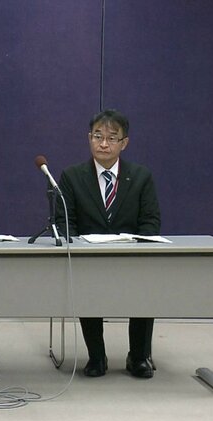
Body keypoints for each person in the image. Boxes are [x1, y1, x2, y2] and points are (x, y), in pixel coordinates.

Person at [56, 109, 161, 378]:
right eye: (98, 136)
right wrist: (79, 248)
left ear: (124, 143)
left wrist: (138, 250)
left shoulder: (140, 176)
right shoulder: (72, 176)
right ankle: (96, 356)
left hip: (132, 258)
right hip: (88, 258)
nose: (103, 144)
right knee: (87, 287)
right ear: (88, 138)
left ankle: (138, 356)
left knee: (144, 287)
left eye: (112, 138)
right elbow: (65, 221)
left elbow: (150, 221)